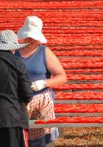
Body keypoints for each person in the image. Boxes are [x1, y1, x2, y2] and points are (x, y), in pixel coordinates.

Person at [15, 16, 67, 147]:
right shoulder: (13, 52)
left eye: (33, 37)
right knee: (19, 138)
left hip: (41, 102)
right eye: (28, 37)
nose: (31, 40)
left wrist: (43, 83)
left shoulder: (45, 52)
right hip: (18, 101)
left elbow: (62, 76)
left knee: (42, 138)